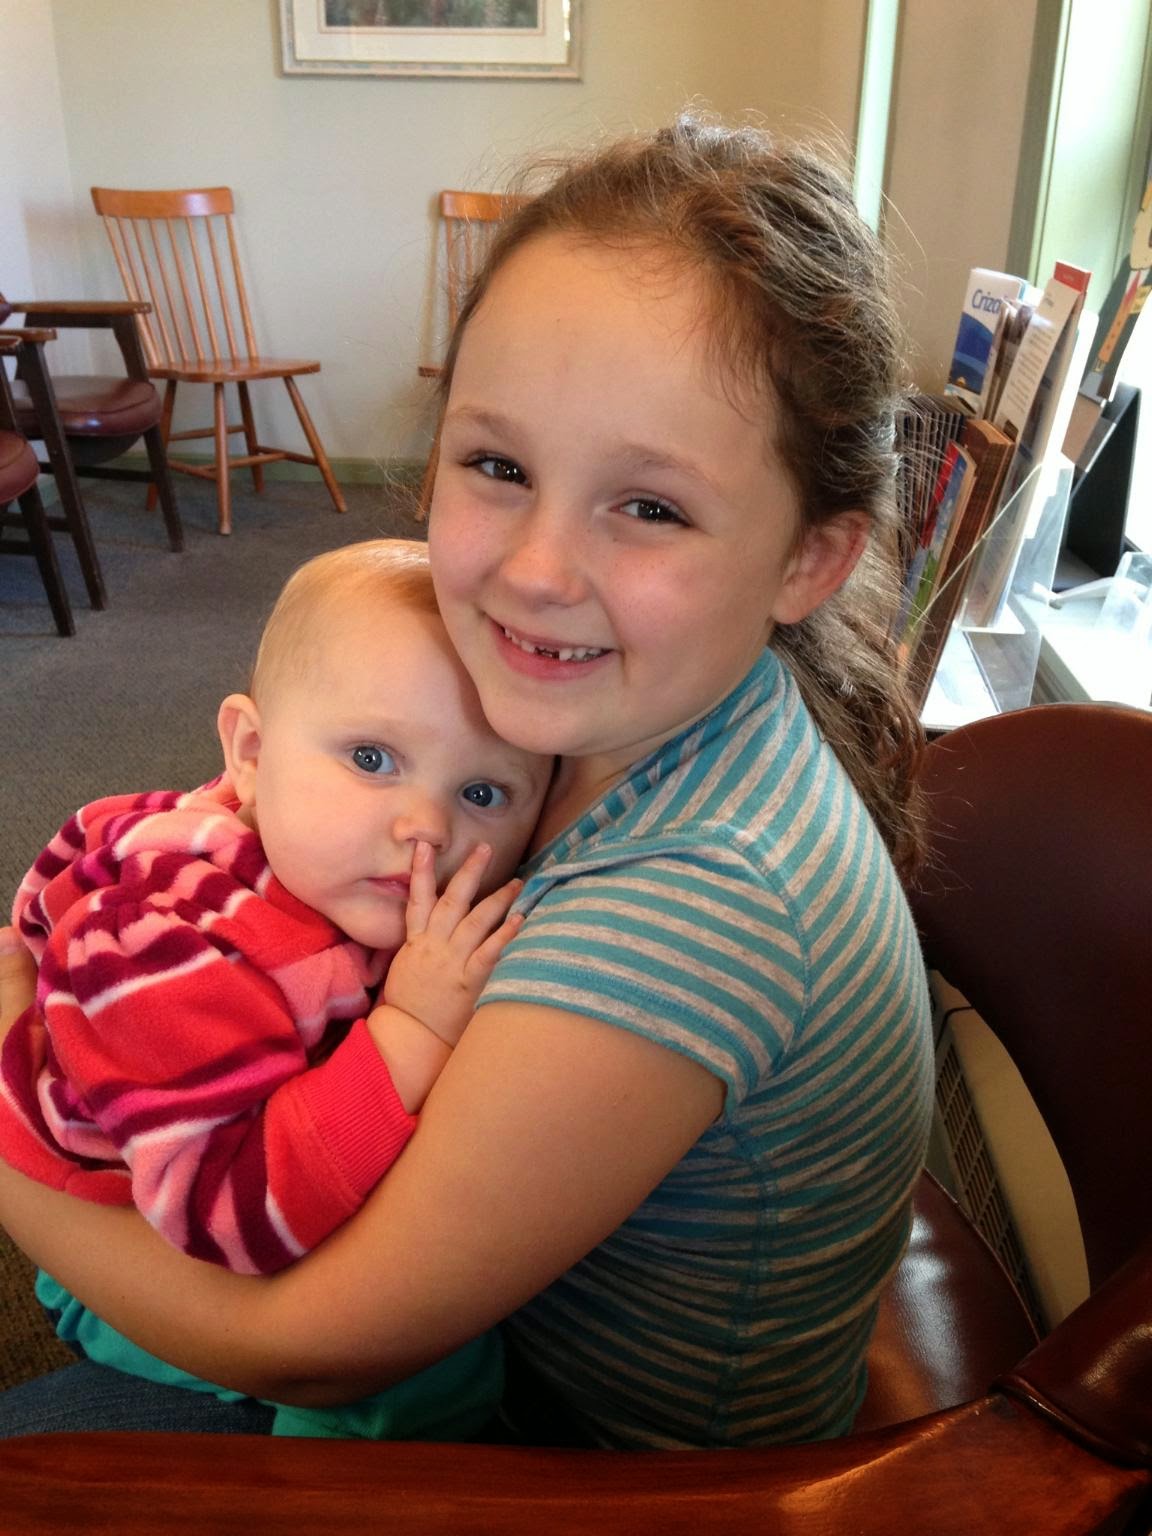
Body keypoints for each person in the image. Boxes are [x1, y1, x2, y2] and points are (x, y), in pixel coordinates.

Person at [0, 112, 935, 1450]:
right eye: (498, 467)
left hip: (577, 1469)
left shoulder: (691, 903)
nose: (537, 572)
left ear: (809, 560)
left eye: (651, 507)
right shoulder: (627, 720)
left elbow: (311, 1348)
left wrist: (13, 1126)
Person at [0, 537, 551, 1439]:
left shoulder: (324, 867)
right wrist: (412, 1028)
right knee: (416, 1374)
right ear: (250, 754)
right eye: (371, 758)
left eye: (484, 793)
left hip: (252, 1149)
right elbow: (232, 1214)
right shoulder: (157, 948)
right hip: (144, 1257)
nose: (426, 826)